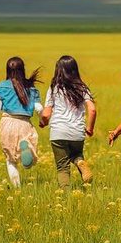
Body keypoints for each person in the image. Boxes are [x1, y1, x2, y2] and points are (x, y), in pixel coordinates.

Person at [0, 56, 43, 188]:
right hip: (25, 124)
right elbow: (39, 108)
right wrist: (42, 120)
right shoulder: (30, 87)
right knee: (28, 160)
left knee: (10, 159)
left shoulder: (2, 86)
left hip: (8, 123)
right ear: (23, 70)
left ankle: (17, 188)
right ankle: (25, 149)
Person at [40, 55, 97, 188]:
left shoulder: (54, 88)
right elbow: (92, 109)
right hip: (77, 132)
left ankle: (65, 195)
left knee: (62, 167)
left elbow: (46, 113)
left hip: (58, 132)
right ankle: (79, 161)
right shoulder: (82, 87)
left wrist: (43, 122)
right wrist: (90, 128)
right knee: (76, 154)